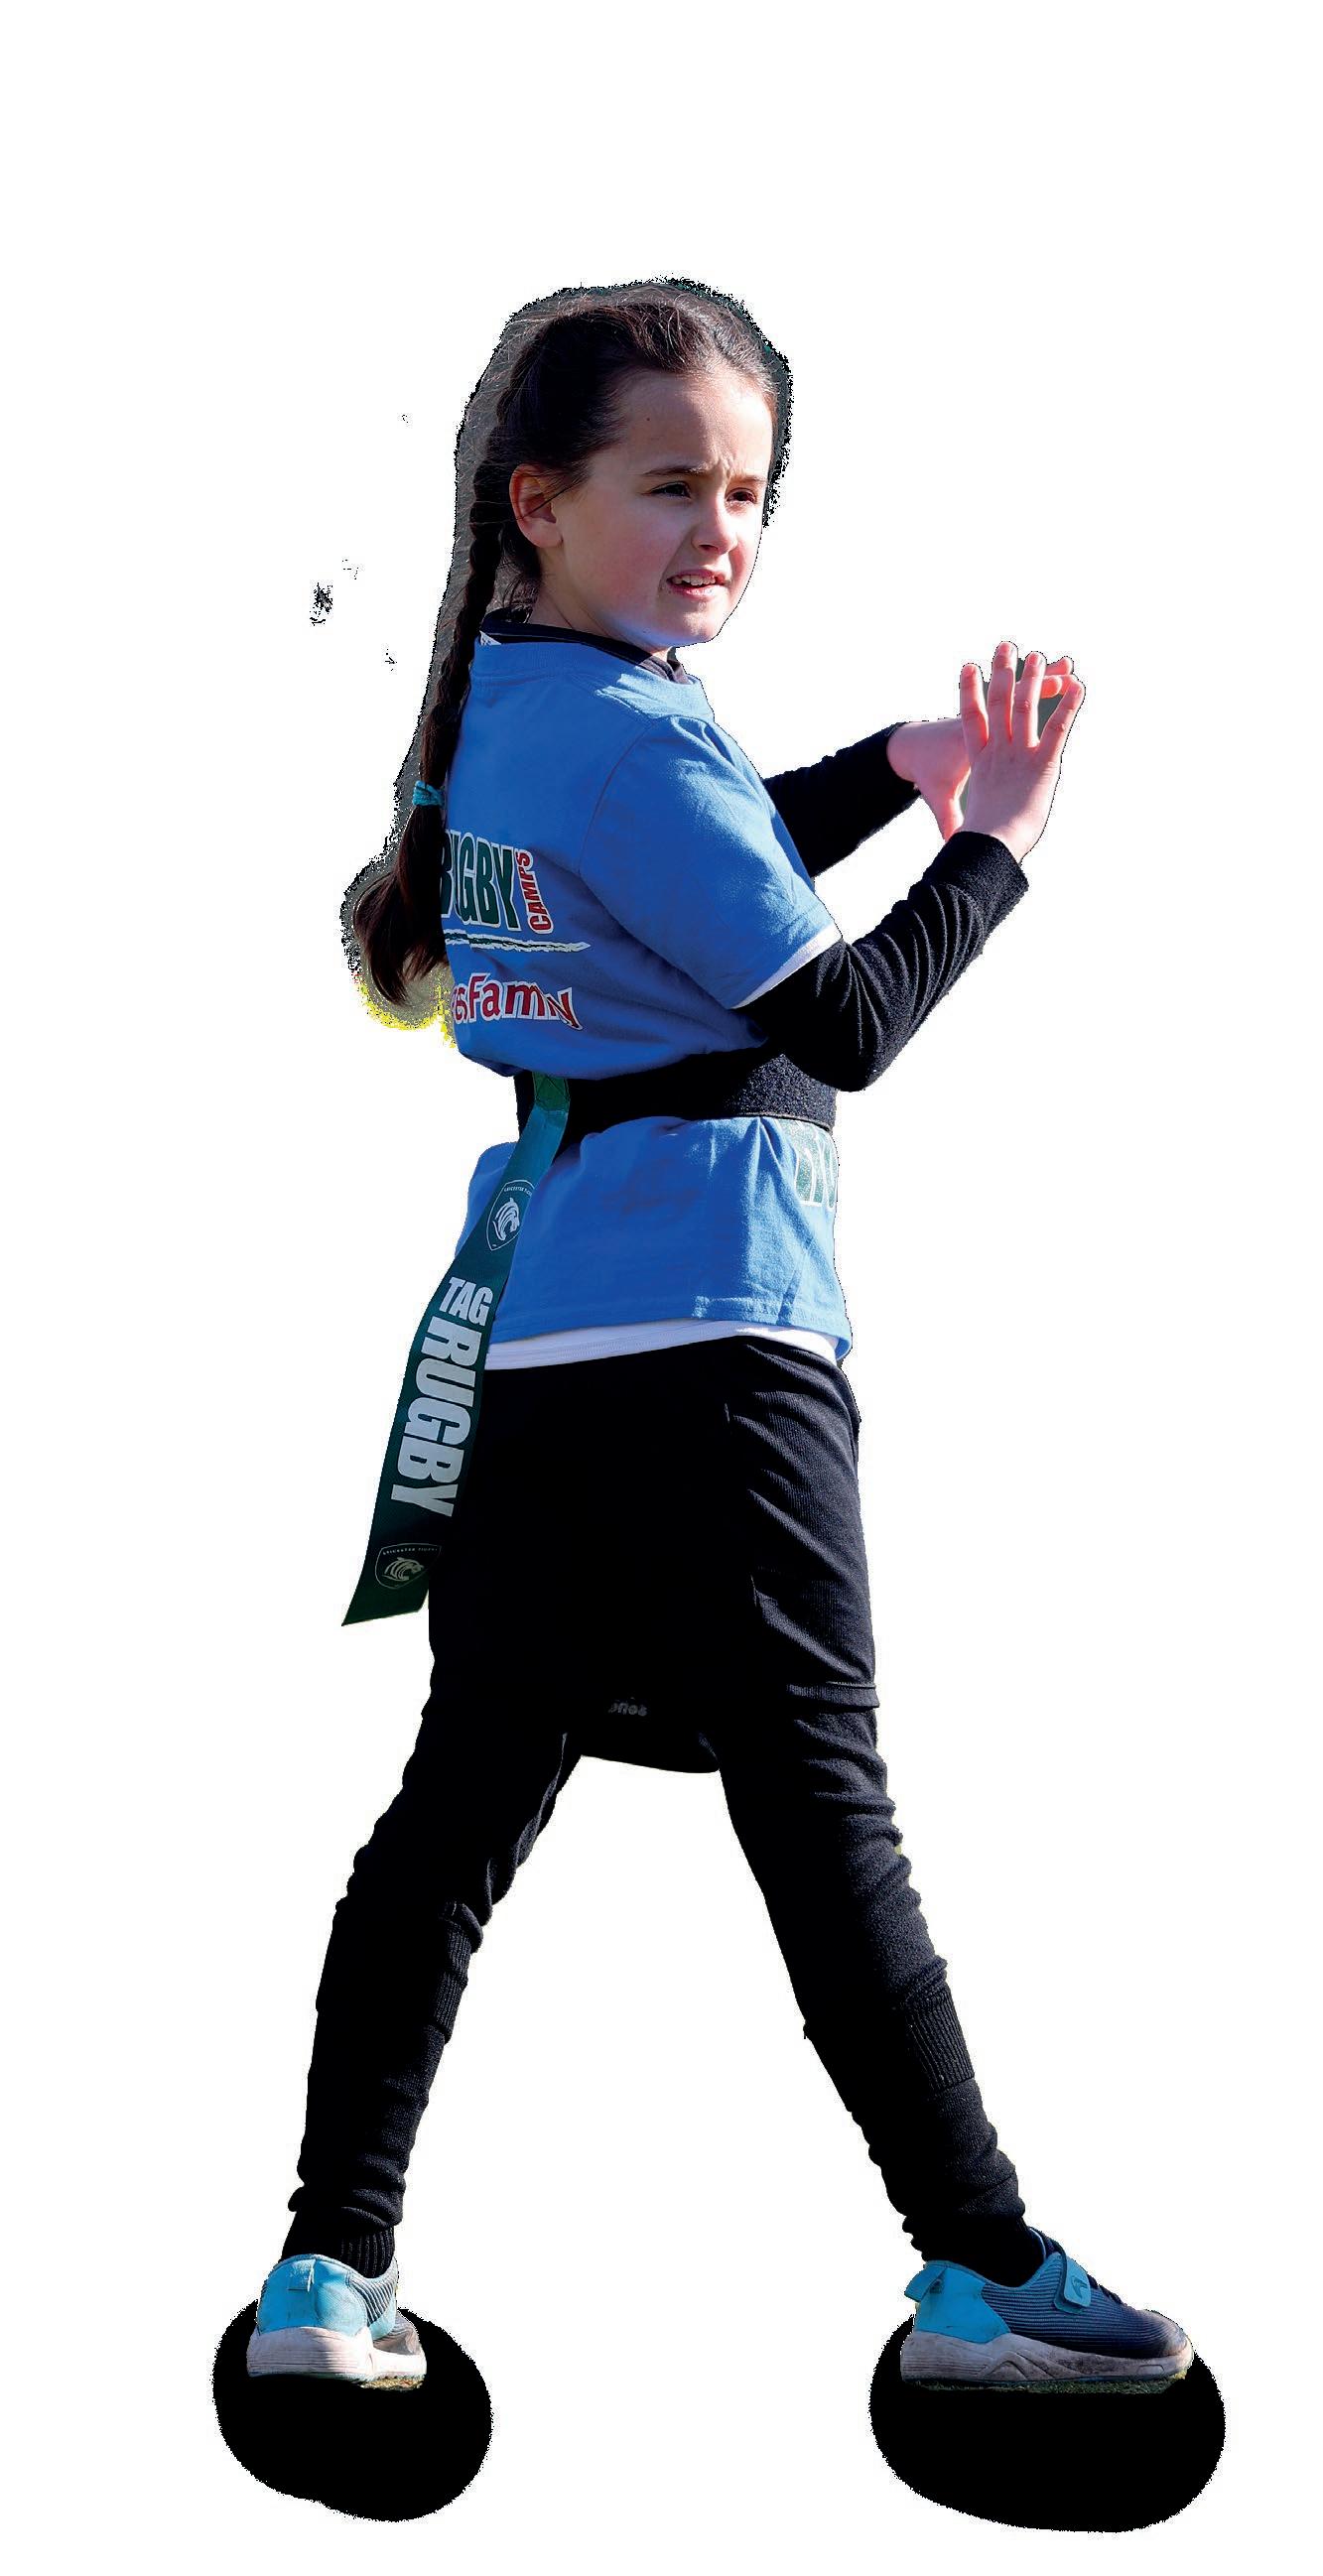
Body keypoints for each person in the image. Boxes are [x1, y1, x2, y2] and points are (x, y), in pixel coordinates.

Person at [246, 281, 1192, 2395]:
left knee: (454, 1813)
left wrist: (892, 768)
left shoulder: (516, 713)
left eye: (749, 493)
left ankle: (323, 2272)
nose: (719, 531)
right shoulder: (630, 734)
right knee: (821, 1799)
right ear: (536, 498)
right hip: (716, 1342)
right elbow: (835, 1017)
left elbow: (685, 850)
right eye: (669, 484)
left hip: (544, 1352)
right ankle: (981, 2263)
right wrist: (994, 842)